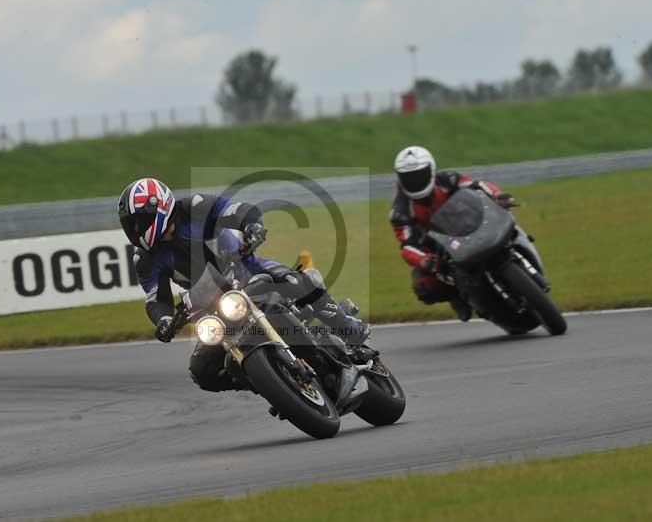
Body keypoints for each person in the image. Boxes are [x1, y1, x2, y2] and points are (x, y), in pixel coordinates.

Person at [118, 177, 369, 392]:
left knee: (296, 282)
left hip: (248, 270)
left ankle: (349, 329)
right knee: (202, 370)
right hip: (212, 306)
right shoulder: (145, 258)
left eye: (138, 221)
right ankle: (268, 383)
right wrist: (164, 321)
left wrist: (252, 226)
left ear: (158, 208)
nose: (135, 229)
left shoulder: (194, 207)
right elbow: (156, 298)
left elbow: (235, 210)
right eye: (131, 225)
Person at [389, 146, 515, 321]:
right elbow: (407, 245)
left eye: (419, 175)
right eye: (409, 177)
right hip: (440, 244)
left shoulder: (447, 179)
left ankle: (517, 247)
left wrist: (497, 195)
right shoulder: (400, 211)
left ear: (431, 170)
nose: (415, 181)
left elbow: (476, 185)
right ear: (400, 178)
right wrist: (424, 260)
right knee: (424, 287)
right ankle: (456, 296)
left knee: (505, 217)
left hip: (470, 221)